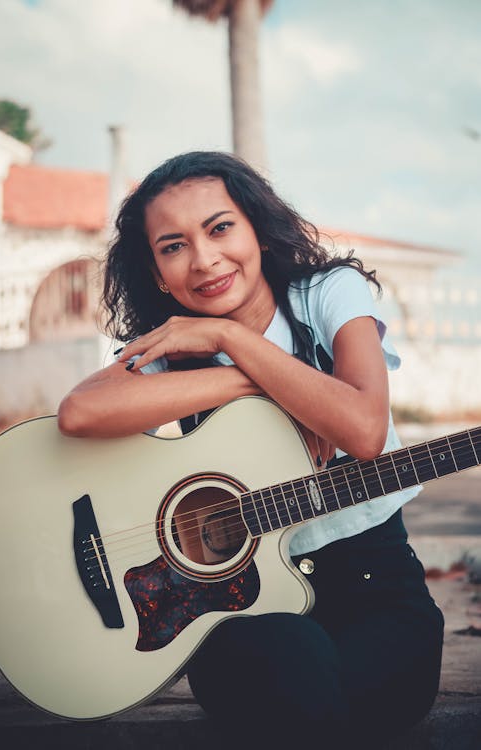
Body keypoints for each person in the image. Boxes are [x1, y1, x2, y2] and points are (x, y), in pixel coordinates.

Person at [58, 151, 444, 748]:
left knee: (347, 693)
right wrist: (261, 375)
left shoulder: (327, 295)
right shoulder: (171, 344)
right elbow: (81, 412)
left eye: (219, 228)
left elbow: (363, 432)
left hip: (378, 591)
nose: (204, 258)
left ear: (257, 231)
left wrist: (226, 336)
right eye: (172, 245)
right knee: (292, 660)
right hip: (248, 615)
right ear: (158, 272)